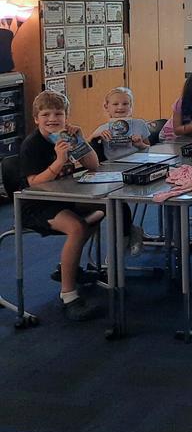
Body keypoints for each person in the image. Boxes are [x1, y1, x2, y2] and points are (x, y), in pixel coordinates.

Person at [16, 91, 103, 321]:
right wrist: (59, 161)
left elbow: (94, 165)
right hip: (35, 204)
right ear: (36, 119)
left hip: (63, 197)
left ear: (66, 117)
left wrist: (81, 141)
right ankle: (69, 295)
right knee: (77, 227)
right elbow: (34, 183)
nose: (52, 119)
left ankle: (68, 266)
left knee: (102, 210)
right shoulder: (32, 145)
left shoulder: (66, 137)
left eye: (58, 114)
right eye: (46, 114)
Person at [89, 86, 149, 254]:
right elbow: (87, 147)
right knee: (115, 201)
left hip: (138, 167)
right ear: (106, 107)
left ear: (131, 106)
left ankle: (127, 234)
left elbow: (149, 149)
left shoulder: (139, 124)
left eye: (125, 103)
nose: (120, 107)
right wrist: (95, 138)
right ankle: (126, 236)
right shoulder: (103, 129)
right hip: (112, 172)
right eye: (115, 104)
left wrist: (140, 145)